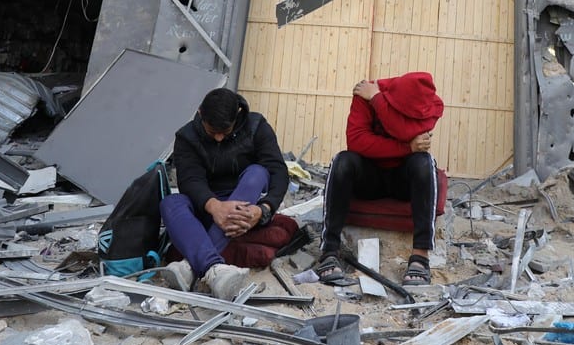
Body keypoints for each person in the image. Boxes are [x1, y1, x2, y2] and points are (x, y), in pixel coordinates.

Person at [159, 87, 289, 300]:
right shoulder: (187, 136)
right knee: (171, 203)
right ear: (201, 114)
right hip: (206, 203)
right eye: (212, 132)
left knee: (257, 173)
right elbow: (190, 181)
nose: (219, 138)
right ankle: (213, 269)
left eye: (225, 132)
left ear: (237, 115)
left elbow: (278, 171)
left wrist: (264, 208)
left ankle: (190, 267)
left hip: (244, 205)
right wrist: (214, 206)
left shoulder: (257, 126)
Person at [316, 72, 444, 287]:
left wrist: (376, 99)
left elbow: (404, 130)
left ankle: (420, 256)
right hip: (370, 177)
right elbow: (356, 141)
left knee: (424, 162)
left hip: (403, 179)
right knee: (343, 160)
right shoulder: (363, 93)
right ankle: (329, 250)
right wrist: (406, 147)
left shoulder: (430, 105)